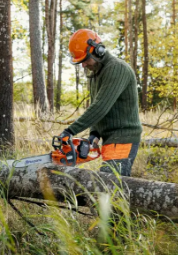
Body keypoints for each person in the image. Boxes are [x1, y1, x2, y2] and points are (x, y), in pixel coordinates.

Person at [58, 29, 142, 177]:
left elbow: (101, 107)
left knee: (110, 184)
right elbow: (97, 105)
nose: (83, 65)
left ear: (98, 50)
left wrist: (70, 131)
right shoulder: (97, 73)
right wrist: (94, 133)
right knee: (110, 184)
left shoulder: (117, 69)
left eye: (85, 59)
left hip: (123, 137)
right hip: (110, 139)